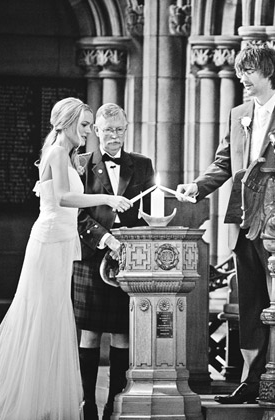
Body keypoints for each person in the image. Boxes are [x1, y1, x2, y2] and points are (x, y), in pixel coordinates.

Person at [0, 98, 132, 420]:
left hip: (63, 241)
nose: (87, 132)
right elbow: (65, 198)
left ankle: (45, 398)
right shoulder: (55, 152)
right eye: (83, 125)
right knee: (42, 317)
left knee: (55, 318)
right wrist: (108, 197)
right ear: (66, 123)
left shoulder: (65, 155)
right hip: (50, 241)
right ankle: (31, 400)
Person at [176, 45, 275, 404]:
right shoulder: (238, 113)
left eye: (248, 71)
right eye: (240, 71)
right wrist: (197, 187)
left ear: (268, 72)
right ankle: (251, 379)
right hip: (245, 221)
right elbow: (225, 161)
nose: (242, 78)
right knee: (251, 301)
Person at [73, 103, 155, 420]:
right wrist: (105, 238)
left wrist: (134, 239)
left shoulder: (143, 165)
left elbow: (149, 211)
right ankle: (88, 403)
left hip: (129, 259)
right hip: (91, 256)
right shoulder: (80, 165)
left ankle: (113, 404)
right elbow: (76, 214)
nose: (114, 137)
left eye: (120, 130)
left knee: (123, 332)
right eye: (108, 130)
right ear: (96, 131)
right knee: (91, 332)